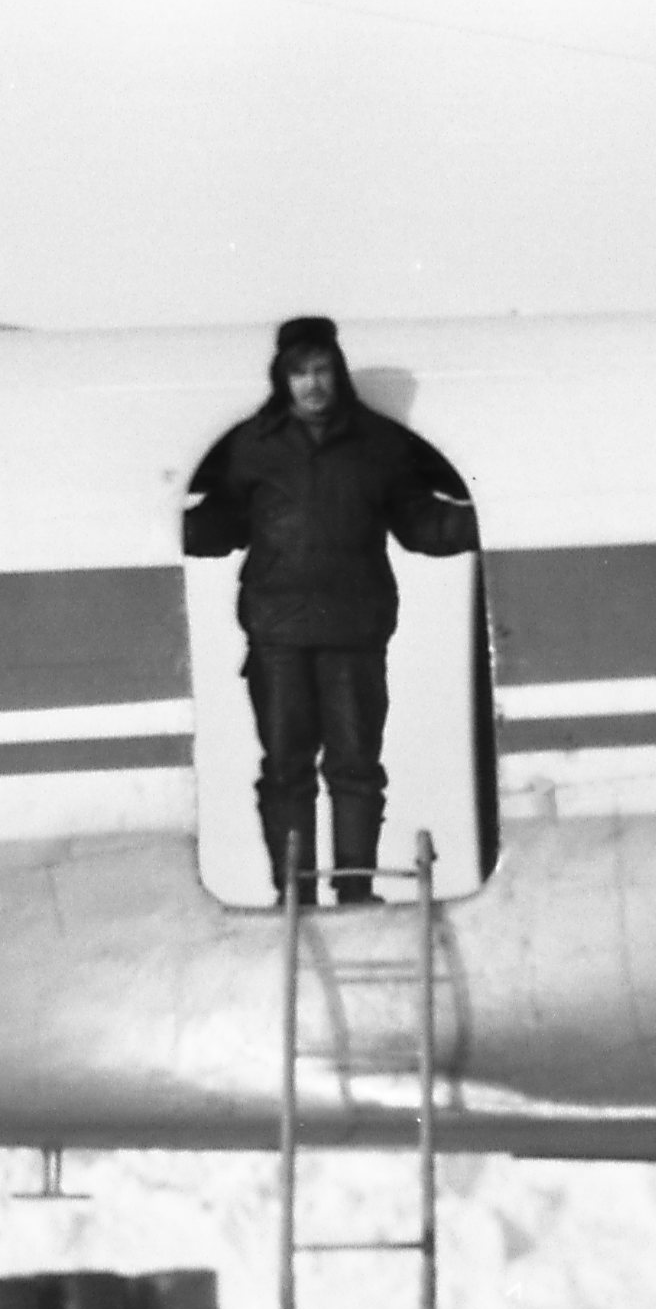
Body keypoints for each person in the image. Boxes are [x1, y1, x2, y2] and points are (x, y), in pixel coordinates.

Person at [184, 315, 479, 904]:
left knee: (356, 767)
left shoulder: (378, 445)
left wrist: (485, 518)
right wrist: (160, 524)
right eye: (300, 372)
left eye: (321, 370)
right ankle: (293, 893)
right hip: (278, 634)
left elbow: (418, 521)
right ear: (282, 378)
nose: (312, 384)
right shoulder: (254, 446)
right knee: (286, 768)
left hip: (354, 632)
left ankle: (354, 890)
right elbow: (224, 522)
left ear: (337, 373)